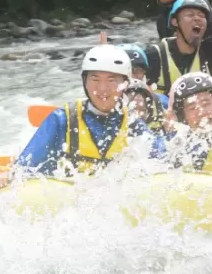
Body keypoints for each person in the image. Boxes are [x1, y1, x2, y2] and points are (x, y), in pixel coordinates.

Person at [15, 45, 166, 176]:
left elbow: (163, 161)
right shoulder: (62, 120)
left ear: (125, 84)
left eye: (111, 80)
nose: (102, 89)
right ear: (85, 82)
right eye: (95, 79)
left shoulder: (132, 124)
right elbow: (22, 170)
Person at [117, 43, 169, 109]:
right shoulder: (105, 103)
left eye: (137, 70)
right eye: (125, 70)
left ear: (144, 74)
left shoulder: (162, 102)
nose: (131, 76)